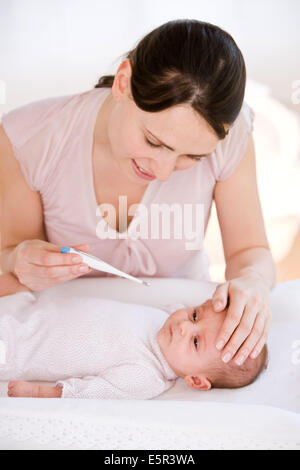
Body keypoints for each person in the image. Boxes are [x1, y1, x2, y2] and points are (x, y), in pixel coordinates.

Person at [0, 19, 275, 369]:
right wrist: (21, 262)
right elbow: (10, 257)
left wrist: (253, 281)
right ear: (123, 82)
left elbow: (250, 251)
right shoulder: (28, 137)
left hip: (183, 344)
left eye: (192, 157)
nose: (162, 172)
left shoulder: (232, 137)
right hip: (67, 338)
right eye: (153, 142)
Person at [0, 273, 267, 399]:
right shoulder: (168, 318)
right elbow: (197, 306)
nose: (186, 326)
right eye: (195, 315)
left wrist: (37, 392)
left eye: (195, 342)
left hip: (16, 348)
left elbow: (93, 392)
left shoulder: (146, 375)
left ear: (196, 380)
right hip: (31, 308)